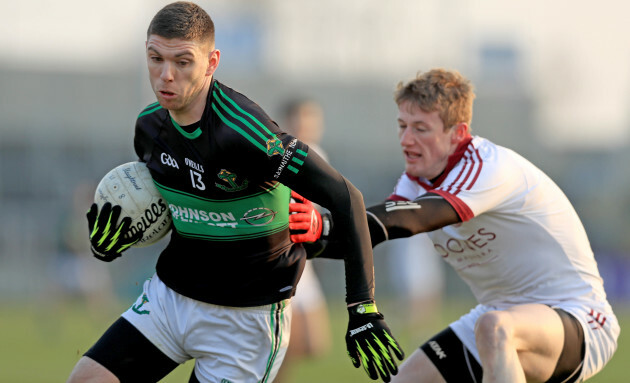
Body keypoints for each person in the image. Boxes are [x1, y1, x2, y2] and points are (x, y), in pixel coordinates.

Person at [66, 2, 403, 383]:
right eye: (155, 58)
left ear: (212, 62)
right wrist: (113, 244)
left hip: (246, 322)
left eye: (183, 62)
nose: (166, 75)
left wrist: (362, 307)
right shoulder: (149, 128)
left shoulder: (244, 132)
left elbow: (346, 197)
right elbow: (161, 212)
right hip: (170, 301)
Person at [291, 68, 620, 382]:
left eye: (420, 128)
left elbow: (417, 216)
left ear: (458, 133)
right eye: (402, 125)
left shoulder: (489, 167)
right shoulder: (413, 183)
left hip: (578, 321)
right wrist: (288, 240)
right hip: (496, 317)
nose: (406, 139)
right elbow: (366, 235)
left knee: (495, 329)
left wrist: (327, 223)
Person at [274, 98, 333, 382]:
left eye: (312, 120)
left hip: (304, 256)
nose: (307, 127)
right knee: (291, 341)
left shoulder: (318, 155)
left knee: (314, 344)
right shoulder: (277, 160)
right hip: (281, 257)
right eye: (300, 121)